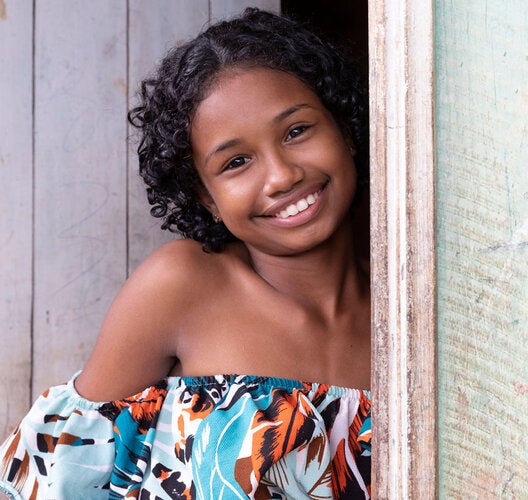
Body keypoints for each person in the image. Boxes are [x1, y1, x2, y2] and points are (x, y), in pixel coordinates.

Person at [0, 8, 371, 499]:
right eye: (236, 162)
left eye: (297, 131)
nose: (281, 176)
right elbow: (55, 477)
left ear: (344, 130)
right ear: (206, 198)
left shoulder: (421, 309)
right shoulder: (183, 286)